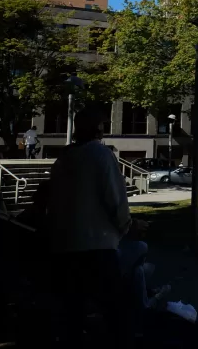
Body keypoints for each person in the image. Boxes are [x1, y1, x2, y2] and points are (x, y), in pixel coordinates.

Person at [48, 105, 145, 348]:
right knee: (114, 309)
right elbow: (115, 197)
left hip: (65, 245)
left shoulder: (64, 158)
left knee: (74, 311)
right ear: (98, 128)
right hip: (97, 245)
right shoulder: (100, 154)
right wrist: (126, 225)